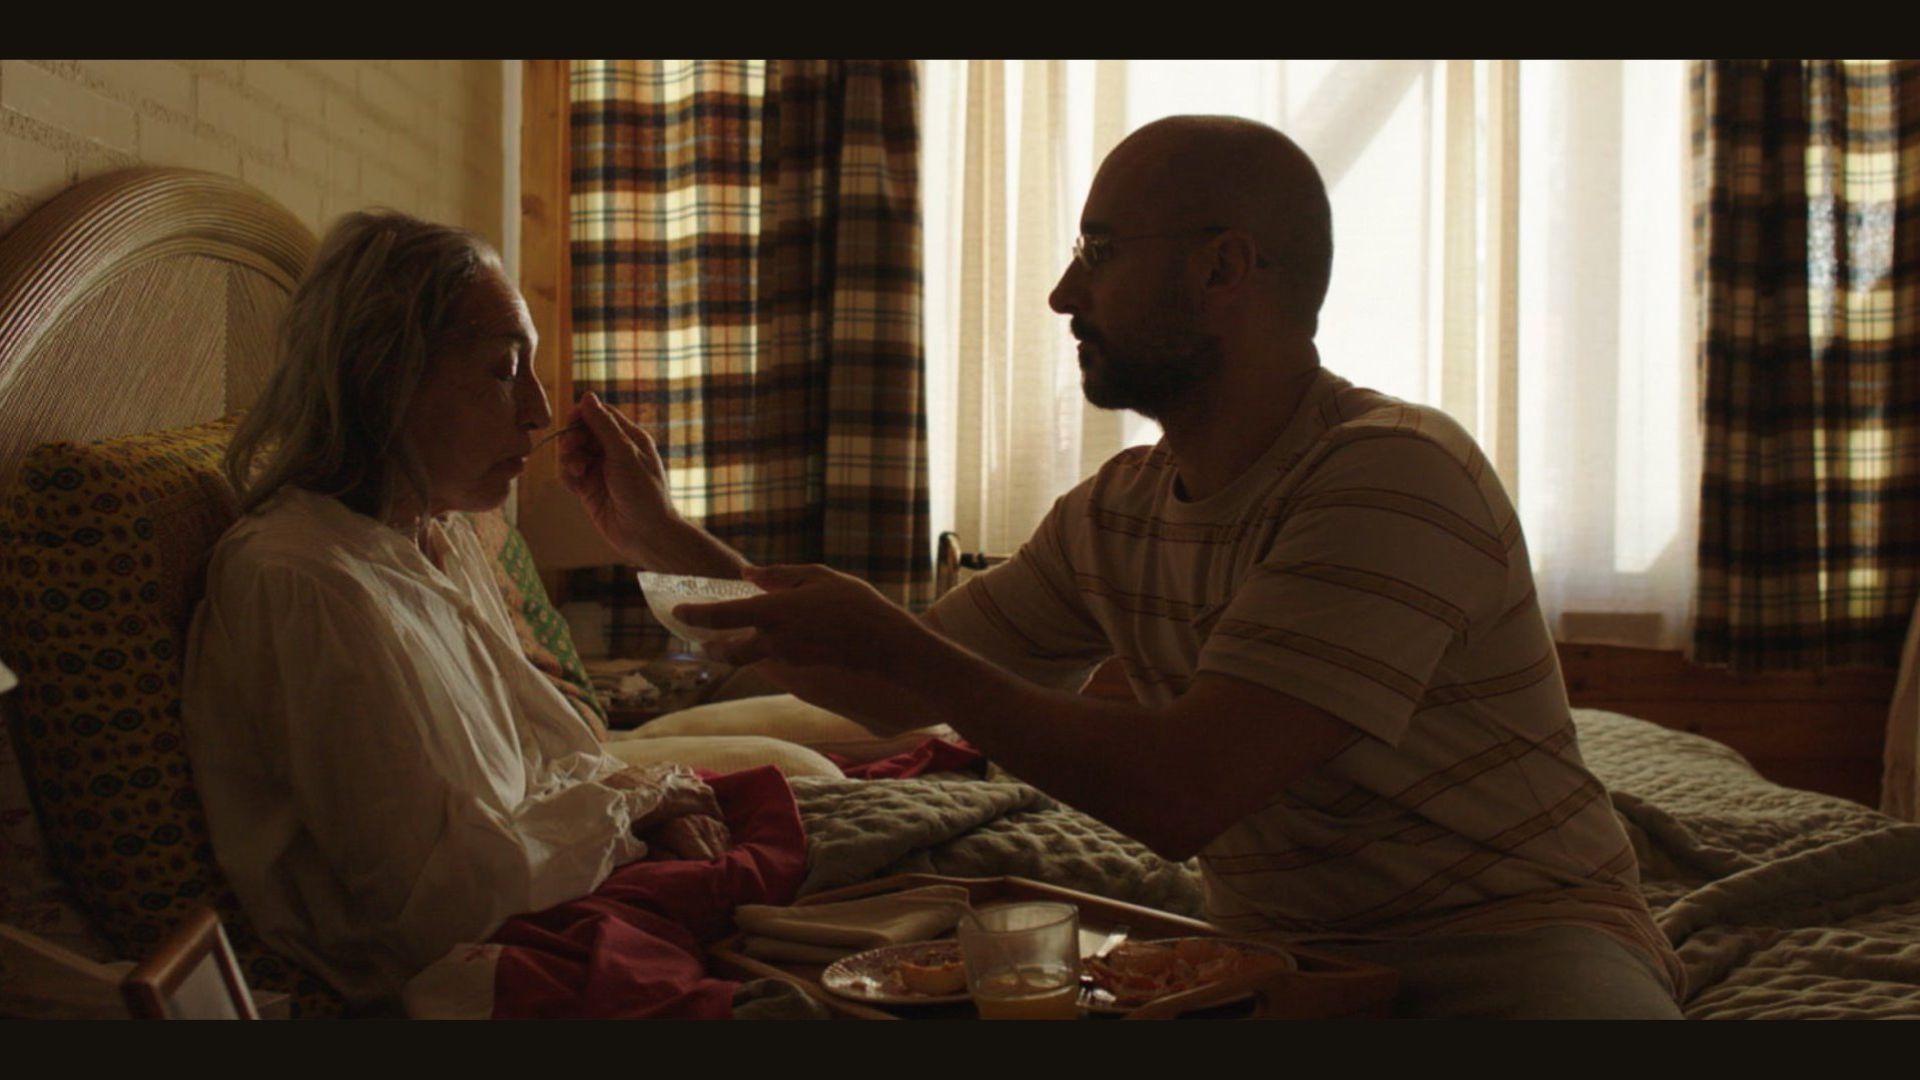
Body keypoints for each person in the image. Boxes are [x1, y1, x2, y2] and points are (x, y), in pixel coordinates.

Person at [572, 115, 1685, 1019]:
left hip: (1510, 944)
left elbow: (1182, 792)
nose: (1066, 294)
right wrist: (666, 541)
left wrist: (912, 651)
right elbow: (884, 686)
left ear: (1222, 267)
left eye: (1099, 252)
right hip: (1266, 958)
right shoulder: (1117, 511)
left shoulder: (1391, 475)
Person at [182, 212, 730, 1008]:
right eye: (505, 370)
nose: (539, 411)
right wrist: (639, 804)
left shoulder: (436, 535)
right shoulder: (305, 583)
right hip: (467, 972)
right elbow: (436, 909)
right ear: (384, 378)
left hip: (557, 901)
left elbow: (549, 757)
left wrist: (642, 804)